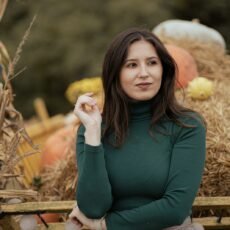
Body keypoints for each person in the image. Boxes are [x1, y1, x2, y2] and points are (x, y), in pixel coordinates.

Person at [69, 28, 206, 230]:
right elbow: (93, 209)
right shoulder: (93, 129)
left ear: (164, 69)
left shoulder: (187, 125)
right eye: (131, 65)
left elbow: (176, 209)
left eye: (152, 63)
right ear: (115, 73)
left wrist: (106, 225)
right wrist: (92, 133)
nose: (144, 73)